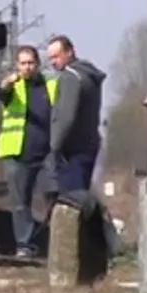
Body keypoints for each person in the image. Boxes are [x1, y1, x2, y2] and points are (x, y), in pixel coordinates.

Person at [0, 45, 58, 259]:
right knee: (21, 202)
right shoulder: (13, 87)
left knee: (54, 194)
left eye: (31, 63)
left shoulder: (50, 85)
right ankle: (25, 244)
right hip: (17, 153)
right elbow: (1, 92)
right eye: (23, 63)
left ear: (38, 64)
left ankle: (53, 239)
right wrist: (6, 83)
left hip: (47, 153)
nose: (27, 67)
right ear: (17, 66)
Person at [45, 35, 107, 194]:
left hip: (72, 151)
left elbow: (66, 117)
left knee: (71, 199)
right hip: (89, 144)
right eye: (50, 58)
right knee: (81, 195)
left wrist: (54, 147)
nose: (53, 62)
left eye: (56, 57)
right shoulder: (88, 75)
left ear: (70, 52)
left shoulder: (70, 77)